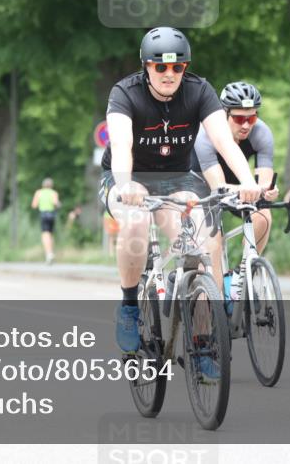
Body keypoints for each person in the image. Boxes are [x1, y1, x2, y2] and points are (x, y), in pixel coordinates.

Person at [101, 26, 261, 371]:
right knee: (136, 221)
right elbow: (122, 146)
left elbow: (224, 142)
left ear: (185, 68)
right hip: (127, 177)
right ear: (147, 67)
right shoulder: (124, 93)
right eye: (160, 67)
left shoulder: (199, 90)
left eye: (177, 67)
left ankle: (202, 344)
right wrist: (127, 184)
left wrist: (248, 181)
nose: (169, 74)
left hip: (176, 179)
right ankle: (129, 306)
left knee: (200, 250)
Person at [192, 82, 279, 264]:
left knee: (263, 215)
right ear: (224, 115)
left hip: (238, 184)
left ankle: (245, 270)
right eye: (239, 119)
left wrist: (268, 191)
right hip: (201, 185)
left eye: (252, 118)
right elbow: (218, 188)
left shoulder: (262, 133)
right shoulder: (205, 135)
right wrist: (249, 188)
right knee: (212, 245)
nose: (247, 125)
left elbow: (264, 183)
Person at [30, 178, 60, 264]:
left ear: (43, 185)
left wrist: (41, 203)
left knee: (45, 235)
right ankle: (50, 252)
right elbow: (56, 203)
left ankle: (49, 254)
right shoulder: (54, 193)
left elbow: (34, 205)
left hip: (43, 214)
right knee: (50, 234)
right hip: (52, 215)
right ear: (51, 185)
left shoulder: (39, 192)